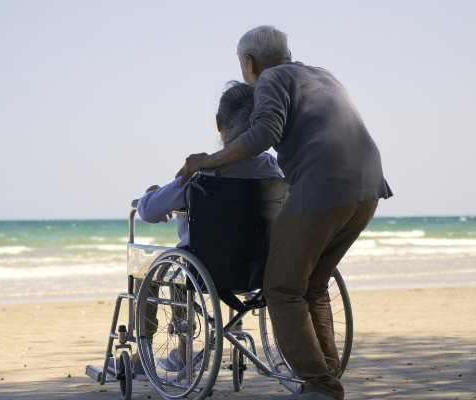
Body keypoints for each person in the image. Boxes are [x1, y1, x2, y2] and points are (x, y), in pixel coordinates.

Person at [176, 26, 392, 400]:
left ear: (248, 62)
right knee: (311, 286)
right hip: (367, 188)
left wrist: (207, 161)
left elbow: (263, 134)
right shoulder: (323, 75)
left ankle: (320, 386)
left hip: (325, 186)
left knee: (280, 288)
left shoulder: (271, 78)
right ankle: (327, 378)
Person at [133, 80, 283, 373]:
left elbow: (149, 211)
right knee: (184, 260)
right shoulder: (273, 169)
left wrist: (149, 194)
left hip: (203, 272)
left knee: (155, 267)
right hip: (258, 269)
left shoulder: (203, 172)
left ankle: (143, 356)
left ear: (219, 124)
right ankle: (182, 352)